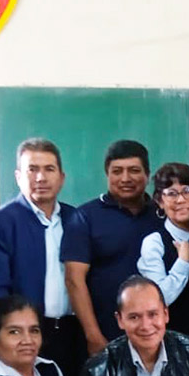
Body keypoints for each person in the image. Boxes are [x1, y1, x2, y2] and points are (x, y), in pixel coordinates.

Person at [0, 138, 86, 376]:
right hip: (28, 335)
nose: (41, 177)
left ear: (61, 177)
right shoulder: (2, 222)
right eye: (32, 169)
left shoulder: (77, 219)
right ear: (19, 176)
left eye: (49, 169)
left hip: (74, 332)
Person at [63, 140, 164, 355]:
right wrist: (93, 335)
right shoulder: (84, 217)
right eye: (117, 171)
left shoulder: (163, 214)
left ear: (147, 174)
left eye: (134, 170)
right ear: (107, 174)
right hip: (105, 335)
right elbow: (74, 280)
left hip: (158, 335)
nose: (125, 178)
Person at [138, 162, 189, 348]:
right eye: (171, 193)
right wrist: (183, 262)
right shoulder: (154, 242)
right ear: (159, 201)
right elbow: (160, 298)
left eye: (187, 191)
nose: (181, 200)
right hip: (177, 347)